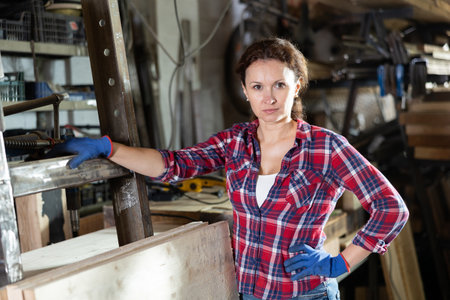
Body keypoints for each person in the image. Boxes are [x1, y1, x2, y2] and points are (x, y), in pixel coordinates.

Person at [52, 38, 409, 300]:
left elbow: (390, 209)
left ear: (296, 87)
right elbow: (173, 165)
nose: (268, 98)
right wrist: (110, 148)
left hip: (304, 294)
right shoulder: (235, 142)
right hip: (248, 292)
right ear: (245, 91)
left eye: (279, 85)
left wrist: (340, 263)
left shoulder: (326, 148)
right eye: (258, 87)